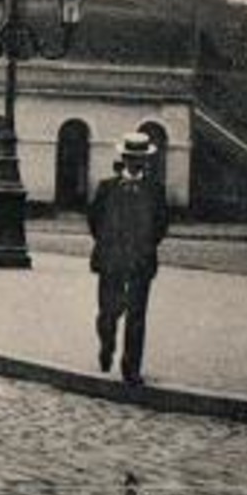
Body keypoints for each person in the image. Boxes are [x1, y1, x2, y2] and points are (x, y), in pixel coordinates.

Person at [89, 132, 170, 388]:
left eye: (141, 158)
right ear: (123, 158)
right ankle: (107, 343)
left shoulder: (155, 190)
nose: (136, 162)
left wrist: (145, 247)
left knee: (137, 316)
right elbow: (94, 221)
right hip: (111, 259)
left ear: (146, 160)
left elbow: (161, 224)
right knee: (108, 311)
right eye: (131, 157)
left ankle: (131, 367)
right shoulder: (107, 188)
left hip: (141, 261)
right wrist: (107, 244)